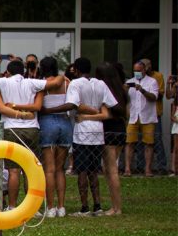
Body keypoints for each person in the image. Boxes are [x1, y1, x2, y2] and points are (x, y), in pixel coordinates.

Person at [0, 59, 64, 210]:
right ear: (23, 72)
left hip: (11, 129)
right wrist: (62, 76)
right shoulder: (32, 82)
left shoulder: (4, 82)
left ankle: (11, 206)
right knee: (29, 169)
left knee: (13, 171)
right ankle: (32, 207)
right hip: (31, 129)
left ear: (8, 72)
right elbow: (55, 83)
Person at [67, 58, 118, 217]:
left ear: (75, 69)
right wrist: (96, 110)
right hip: (98, 132)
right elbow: (110, 104)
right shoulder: (101, 84)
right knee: (94, 171)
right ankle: (97, 205)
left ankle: (84, 207)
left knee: (82, 170)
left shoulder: (75, 84)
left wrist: (84, 111)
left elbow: (73, 104)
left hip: (82, 131)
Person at [35, 57, 72, 217]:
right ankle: (61, 207)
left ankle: (50, 207)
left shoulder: (43, 84)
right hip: (65, 122)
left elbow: (38, 105)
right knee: (60, 169)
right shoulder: (66, 83)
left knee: (48, 170)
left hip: (47, 123)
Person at [96, 62, 127, 215]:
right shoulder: (122, 89)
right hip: (121, 128)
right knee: (110, 168)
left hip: (108, 130)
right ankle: (115, 206)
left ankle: (116, 207)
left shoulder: (103, 90)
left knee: (111, 169)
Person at [123, 60, 158, 178]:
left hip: (147, 117)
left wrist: (142, 90)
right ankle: (128, 169)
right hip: (133, 117)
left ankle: (147, 169)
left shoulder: (152, 82)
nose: (136, 72)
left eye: (139, 70)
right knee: (129, 143)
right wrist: (124, 90)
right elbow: (124, 99)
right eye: (135, 70)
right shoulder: (130, 82)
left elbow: (154, 97)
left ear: (144, 70)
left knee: (149, 144)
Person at [140, 58, 167, 174]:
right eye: (145, 65)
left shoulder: (158, 76)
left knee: (156, 139)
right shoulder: (138, 78)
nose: (147, 67)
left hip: (155, 113)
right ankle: (139, 166)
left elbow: (159, 95)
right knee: (140, 141)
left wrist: (148, 90)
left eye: (148, 65)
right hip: (141, 113)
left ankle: (162, 166)